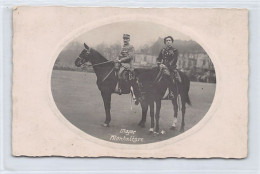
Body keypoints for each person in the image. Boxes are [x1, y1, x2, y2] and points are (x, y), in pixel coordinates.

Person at [114, 34, 141, 104]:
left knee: (120, 73)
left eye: (126, 39)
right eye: (124, 39)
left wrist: (121, 60)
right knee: (114, 69)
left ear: (129, 40)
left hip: (128, 64)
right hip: (121, 63)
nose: (125, 40)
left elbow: (130, 57)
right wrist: (117, 59)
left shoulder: (131, 47)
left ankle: (120, 88)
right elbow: (119, 55)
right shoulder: (123, 47)